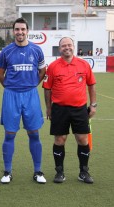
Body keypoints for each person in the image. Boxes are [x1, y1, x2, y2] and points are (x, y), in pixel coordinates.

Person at [0, 17, 47, 184]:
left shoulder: (37, 51)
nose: (20, 32)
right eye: (17, 29)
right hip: (11, 95)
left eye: (22, 29)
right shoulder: (6, 51)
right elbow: (0, 74)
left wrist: (32, 86)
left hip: (31, 95)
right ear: (14, 31)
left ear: (27, 31)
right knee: (10, 134)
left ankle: (38, 171)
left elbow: (42, 72)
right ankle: (7, 172)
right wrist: (11, 88)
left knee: (34, 133)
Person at [42, 37, 96, 184]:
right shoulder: (53, 67)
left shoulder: (84, 65)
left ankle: (83, 172)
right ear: (60, 49)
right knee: (60, 140)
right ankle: (59, 172)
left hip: (79, 108)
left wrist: (93, 105)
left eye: (69, 45)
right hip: (59, 109)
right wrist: (49, 108)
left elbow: (91, 85)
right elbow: (47, 88)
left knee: (82, 139)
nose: (67, 48)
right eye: (63, 46)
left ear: (74, 46)